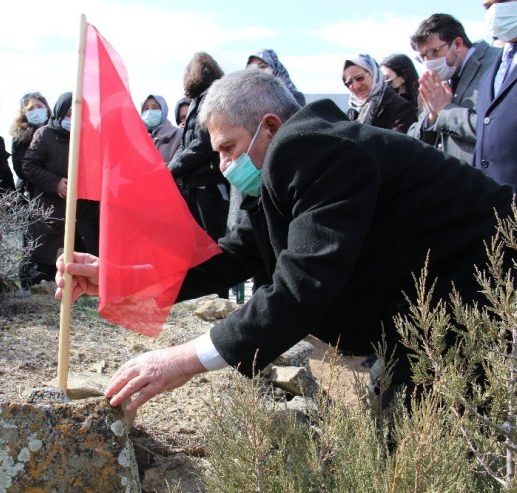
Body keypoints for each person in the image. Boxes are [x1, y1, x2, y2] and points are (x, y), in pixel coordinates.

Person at [56, 69, 514, 412]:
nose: (222, 166)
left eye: (228, 147)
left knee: (446, 443)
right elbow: (234, 257)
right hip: (434, 317)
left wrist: (183, 359)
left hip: (487, 301)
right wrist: (120, 278)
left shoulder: (312, 149)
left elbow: (303, 285)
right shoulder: (290, 166)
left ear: (271, 127)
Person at [21, 92, 99, 284]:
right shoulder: (45, 134)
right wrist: (55, 182)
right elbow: (29, 165)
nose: (73, 117)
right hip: (50, 214)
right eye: (69, 112)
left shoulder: (92, 136)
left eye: (79, 112)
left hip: (83, 215)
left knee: (80, 265)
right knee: (44, 267)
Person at [408, 13, 500, 164]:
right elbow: (413, 138)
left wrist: (446, 111)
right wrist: (432, 117)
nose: (427, 62)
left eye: (433, 52)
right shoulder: (436, 81)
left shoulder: (497, 63)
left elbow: (500, 129)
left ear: (457, 44)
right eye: (422, 57)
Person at [168, 52, 229, 242]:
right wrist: (171, 167)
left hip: (209, 182)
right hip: (196, 183)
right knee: (204, 240)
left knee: (214, 239)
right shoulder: (198, 101)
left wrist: (171, 169)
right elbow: (187, 142)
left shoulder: (209, 100)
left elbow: (202, 144)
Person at [474, 0, 517, 188]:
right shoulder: (489, 75)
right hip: (492, 205)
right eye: (488, 6)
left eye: (502, 2)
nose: (494, 11)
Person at [342, 54, 417, 133]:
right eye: (349, 83)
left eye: (359, 78)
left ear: (374, 74)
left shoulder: (400, 108)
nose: (356, 86)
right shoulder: (352, 111)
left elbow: (397, 142)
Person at [11, 92, 52, 198]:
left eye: (39, 106)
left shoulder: (56, 131)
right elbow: (20, 168)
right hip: (31, 191)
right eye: (30, 109)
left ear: (46, 108)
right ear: (24, 113)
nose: (36, 111)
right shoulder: (19, 136)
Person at [141, 94, 182, 163]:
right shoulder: (137, 138)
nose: (149, 112)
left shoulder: (179, 134)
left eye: (155, 107)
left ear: (163, 110)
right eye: (146, 108)